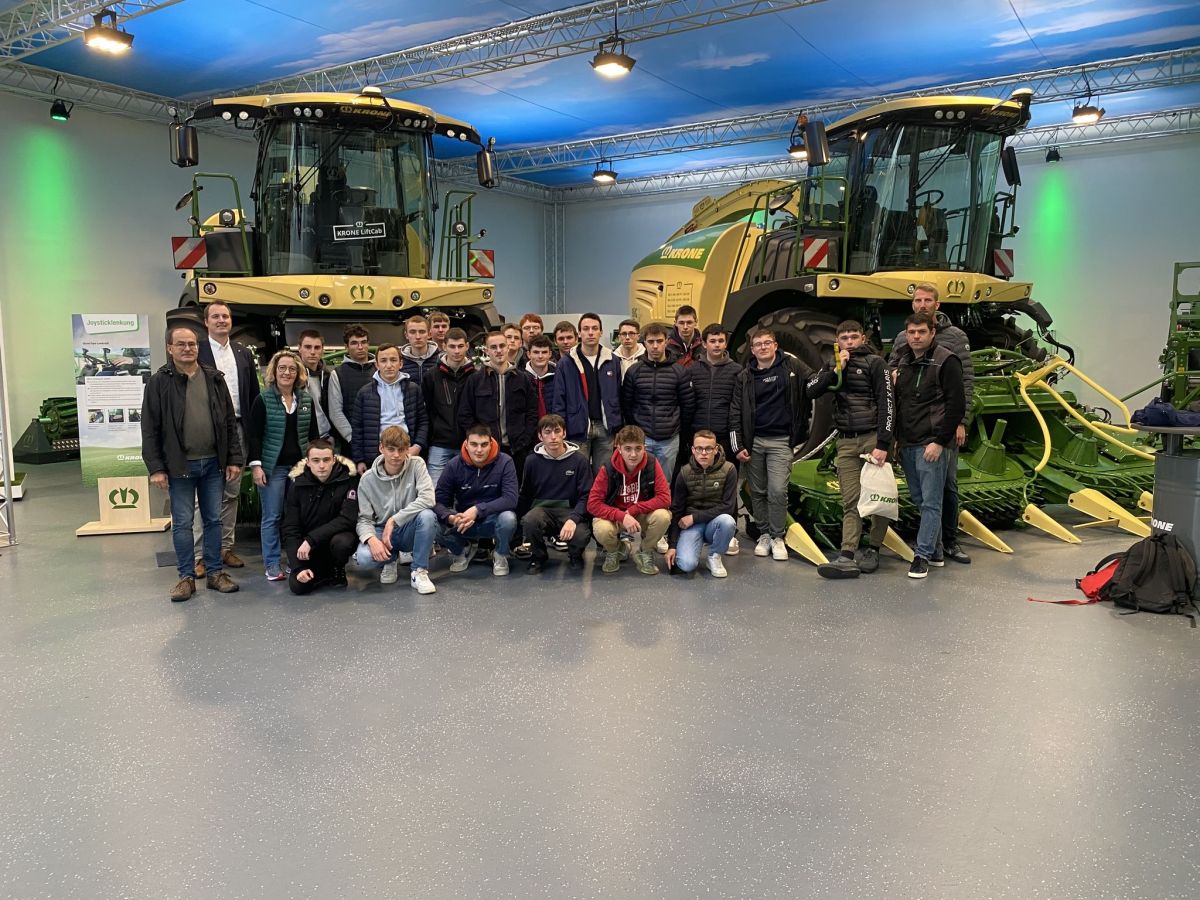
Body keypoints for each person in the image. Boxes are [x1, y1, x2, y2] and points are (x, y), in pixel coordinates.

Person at [142, 325, 243, 601]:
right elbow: (149, 428)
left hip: (213, 464)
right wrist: (156, 468)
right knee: (183, 523)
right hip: (180, 466)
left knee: (213, 520)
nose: (188, 348)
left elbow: (229, 423)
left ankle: (215, 573)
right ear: (169, 348)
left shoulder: (214, 379)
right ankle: (186, 577)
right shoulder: (159, 383)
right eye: (181, 344)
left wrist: (234, 458)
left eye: (192, 344)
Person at [889, 282, 974, 565]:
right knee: (926, 495)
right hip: (913, 430)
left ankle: (949, 541)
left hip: (942, 429)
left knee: (947, 487)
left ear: (937, 305)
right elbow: (894, 373)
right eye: (918, 300)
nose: (922, 304)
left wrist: (960, 422)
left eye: (927, 300)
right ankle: (935, 548)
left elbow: (964, 384)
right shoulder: (902, 339)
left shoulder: (954, 338)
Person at [807, 320, 894, 578]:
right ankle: (847, 554)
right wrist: (836, 369)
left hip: (871, 438)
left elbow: (888, 403)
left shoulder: (876, 363)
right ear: (837, 341)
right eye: (844, 338)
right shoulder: (832, 364)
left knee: (878, 498)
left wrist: (883, 443)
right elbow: (811, 390)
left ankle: (874, 548)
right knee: (851, 500)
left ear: (862, 339)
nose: (849, 342)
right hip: (845, 441)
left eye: (854, 337)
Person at [731, 328, 812, 561]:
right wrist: (738, 446)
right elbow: (735, 412)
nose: (763, 347)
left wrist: (835, 370)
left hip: (781, 442)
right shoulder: (744, 377)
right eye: (758, 344)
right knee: (757, 491)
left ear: (775, 346)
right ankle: (764, 534)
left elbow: (814, 382)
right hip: (754, 442)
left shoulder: (792, 367)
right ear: (752, 350)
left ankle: (778, 536)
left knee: (777, 491)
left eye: (767, 343)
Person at [194, 301, 259, 576]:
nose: (221, 320)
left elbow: (253, 395)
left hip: (239, 429)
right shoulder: (197, 350)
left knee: (231, 493)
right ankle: (199, 555)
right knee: (203, 497)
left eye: (226, 316)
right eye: (216, 316)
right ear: (206, 322)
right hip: (208, 431)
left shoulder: (242, 353)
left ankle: (225, 548)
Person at [621, 321, 694, 554]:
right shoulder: (634, 371)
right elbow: (627, 405)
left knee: (663, 488)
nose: (655, 346)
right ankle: (630, 532)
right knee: (634, 486)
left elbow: (687, 406)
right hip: (641, 441)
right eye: (650, 342)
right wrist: (635, 436)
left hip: (669, 439)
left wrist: (679, 432)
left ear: (666, 342)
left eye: (659, 341)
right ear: (644, 343)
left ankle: (658, 533)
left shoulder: (679, 371)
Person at [246, 349, 320, 581]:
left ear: (298, 373)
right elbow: (254, 436)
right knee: (272, 517)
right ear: (274, 372)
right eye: (282, 368)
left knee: (296, 518)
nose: (287, 372)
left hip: (299, 469)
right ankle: (272, 564)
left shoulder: (306, 400)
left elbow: (313, 436)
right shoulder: (263, 400)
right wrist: (256, 466)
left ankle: (295, 563)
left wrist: (314, 464)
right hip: (273, 469)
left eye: (291, 369)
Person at [354, 426, 438, 594]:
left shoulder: (417, 464)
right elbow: (364, 519)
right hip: (381, 530)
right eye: (391, 449)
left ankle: (419, 571)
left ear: (408, 449)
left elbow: (428, 499)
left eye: (401, 450)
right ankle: (389, 560)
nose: (396, 455)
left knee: (428, 516)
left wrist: (394, 520)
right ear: (381, 448)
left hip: (408, 527)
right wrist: (371, 539)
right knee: (364, 557)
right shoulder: (367, 479)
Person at [586, 424, 671, 576]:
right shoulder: (608, 468)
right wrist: (622, 516)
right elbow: (592, 504)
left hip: (640, 513)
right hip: (616, 516)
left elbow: (665, 498)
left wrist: (634, 510)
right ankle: (616, 550)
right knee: (602, 529)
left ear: (644, 448)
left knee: (663, 516)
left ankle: (645, 551)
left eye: (638, 448)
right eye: (628, 449)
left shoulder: (652, 463)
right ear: (619, 448)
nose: (633, 454)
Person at [435, 424, 519, 577]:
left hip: (492, 520)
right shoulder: (454, 465)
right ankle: (462, 550)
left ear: (491, 443)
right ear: (466, 444)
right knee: (432, 521)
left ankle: (500, 554)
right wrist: (451, 518)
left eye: (484, 445)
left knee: (509, 518)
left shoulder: (505, 461)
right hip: (462, 523)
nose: (479, 450)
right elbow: (438, 502)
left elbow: (511, 499)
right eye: (474, 444)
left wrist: (477, 510)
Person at [688, 323, 743, 554]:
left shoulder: (736, 370)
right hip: (698, 437)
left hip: (724, 436)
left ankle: (729, 534)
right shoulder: (693, 369)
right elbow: (688, 404)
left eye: (721, 341)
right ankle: (697, 529)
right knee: (696, 485)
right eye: (712, 341)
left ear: (725, 343)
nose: (717, 345)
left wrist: (736, 441)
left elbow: (738, 406)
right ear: (704, 343)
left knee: (727, 486)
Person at [458, 330, 538, 479]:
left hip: (517, 449)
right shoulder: (475, 380)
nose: (498, 350)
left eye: (502, 346)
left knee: (516, 489)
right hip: (486, 450)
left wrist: (525, 440)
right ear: (486, 350)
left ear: (508, 347)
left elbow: (532, 412)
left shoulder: (524, 379)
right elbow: (465, 414)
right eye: (493, 347)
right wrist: (480, 440)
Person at [282, 439, 358, 595]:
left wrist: (312, 539)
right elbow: (291, 528)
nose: (321, 465)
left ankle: (337, 569)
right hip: (308, 549)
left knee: (343, 542)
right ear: (308, 462)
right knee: (299, 587)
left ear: (334, 460)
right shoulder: (297, 486)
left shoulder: (347, 482)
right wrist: (298, 567)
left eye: (326, 460)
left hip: (332, 542)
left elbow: (347, 520)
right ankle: (322, 573)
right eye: (316, 460)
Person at [517, 414, 593, 573]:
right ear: (540, 436)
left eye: (557, 431)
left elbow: (586, 496)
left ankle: (575, 555)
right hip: (542, 511)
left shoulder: (580, 461)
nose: (553, 437)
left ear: (564, 433)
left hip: (570, 511)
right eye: (547, 432)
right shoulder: (531, 461)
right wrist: (518, 525)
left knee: (581, 534)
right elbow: (525, 494)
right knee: (530, 520)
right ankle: (538, 556)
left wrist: (574, 519)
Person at [551, 311, 623, 474]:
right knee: (578, 475)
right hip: (577, 428)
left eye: (594, 328)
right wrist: (560, 429)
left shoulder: (613, 360)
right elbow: (559, 399)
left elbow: (619, 395)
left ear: (601, 332)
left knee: (604, 476)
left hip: (606, 429)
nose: (590, 332)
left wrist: (618, 426)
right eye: (586, 329)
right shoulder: (566, 363)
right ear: (579, 333)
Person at [664, 430, 737, 578]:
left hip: (714, 523)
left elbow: (728, 507)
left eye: (708, 448)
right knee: (686, 565)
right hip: (692, 527)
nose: (703, 453)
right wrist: (672, 545)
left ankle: (714, 556)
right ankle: (691, 546)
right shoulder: (684, 472)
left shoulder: (729, 469)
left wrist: (695, 517)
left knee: (728, 521)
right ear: (693, 450)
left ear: (716, 449)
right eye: (699, 448)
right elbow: (677, 510)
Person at [350, 343, 427, 473]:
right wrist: (359, 459)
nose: (389, 365)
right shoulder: (364, 393)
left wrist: (417, 446)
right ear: (377, 365)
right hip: (375, 456)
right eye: (383, 361)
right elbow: (357, 428)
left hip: (407, 452)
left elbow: (423, 421)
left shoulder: (413, 390)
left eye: (393, 360)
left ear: (401, 364)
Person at [422, 327, 475, 485]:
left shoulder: (476, 375)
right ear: (444, 346)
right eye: (452, 346)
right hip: (439, 444)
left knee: (466, 491)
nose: (456, 351)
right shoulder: (431, 376)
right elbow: (426, 410)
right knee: (436, 491)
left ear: (467, 346)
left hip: (468, 444)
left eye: (460, 346)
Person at [327, 324, 374, 456]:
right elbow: (335, 412)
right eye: (354, 343)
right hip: (351, 444)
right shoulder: (337, 374)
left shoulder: (379, 370)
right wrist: (352, 438)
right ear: (346, 347)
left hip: (379, 441)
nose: (360, 347)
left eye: (363, 342)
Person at [296, 329, 332, 439]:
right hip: (299, 437)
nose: (312, 352)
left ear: (322, 350)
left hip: (324, 436)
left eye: (317, 347)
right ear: (299, 348)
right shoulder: (291, 375)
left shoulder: (327, 376)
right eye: (308, 347)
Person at [400, 314, 440, 386]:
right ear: (406, 335)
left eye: (422, 332)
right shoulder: (399, 361)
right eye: (412, 332)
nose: (418, 337)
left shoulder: (441, 359)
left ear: (429, 334)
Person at [525, 335, 557, 419]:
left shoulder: (559, 377)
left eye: (544, 352)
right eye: (536, 352)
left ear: (550, 354)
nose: (540, 356)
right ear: (529, 354)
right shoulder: (521, 378)